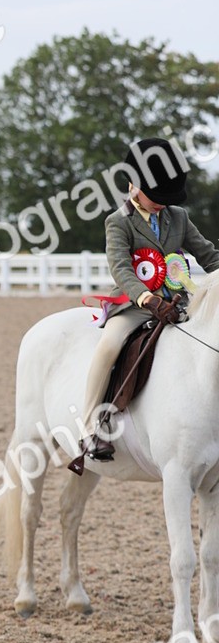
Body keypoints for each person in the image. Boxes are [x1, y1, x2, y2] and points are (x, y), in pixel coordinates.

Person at [78, 137, 219, 462]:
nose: (161, 203)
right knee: (109, 346)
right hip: (134, 305)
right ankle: (89, 428)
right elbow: (121, 268)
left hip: (178, 305)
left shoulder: (179, 217)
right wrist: (145, 297)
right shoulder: (119, 221)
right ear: (133, 183)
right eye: (155, 196)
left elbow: (208, 255)